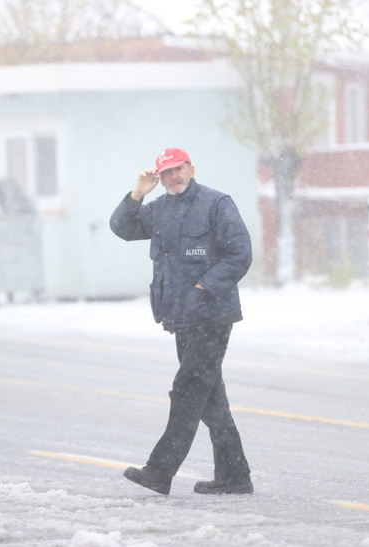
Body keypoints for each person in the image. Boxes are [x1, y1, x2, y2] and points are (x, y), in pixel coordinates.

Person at [109, 147, 254, 496]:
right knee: (210, 400)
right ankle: (234, 476)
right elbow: (122, 227)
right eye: (166, 173)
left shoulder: (217, 204)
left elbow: (240, 254)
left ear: (191, 168)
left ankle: (160, 470)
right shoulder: (158, 210)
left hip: (212, 316)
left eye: (178, 170)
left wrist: (205, 287)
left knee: (187, 392)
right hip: (180, 318)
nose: (173, 177)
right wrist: (137, 193)